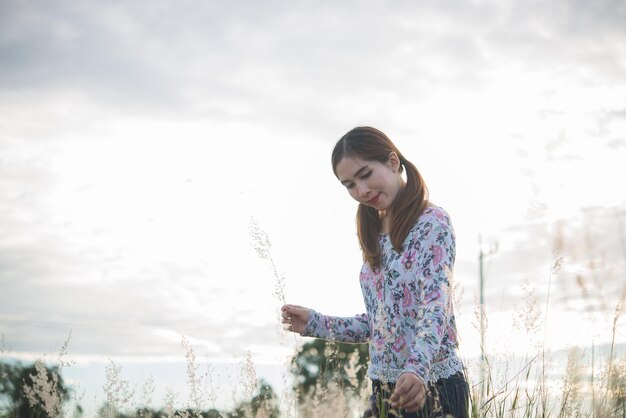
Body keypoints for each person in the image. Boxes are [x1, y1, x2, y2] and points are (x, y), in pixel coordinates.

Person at [281, 126, 469, 418]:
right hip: (384, 388)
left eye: (365, 174)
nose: (361, 191)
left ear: (393, 162)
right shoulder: (374, 233)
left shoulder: (433, 223)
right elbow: (381, 324)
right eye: (349, 185)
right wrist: (316, 323)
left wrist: (416, 370)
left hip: (431, 387)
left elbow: (435, 307)